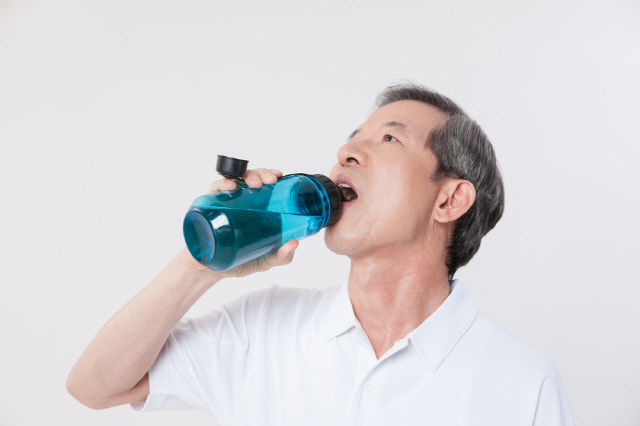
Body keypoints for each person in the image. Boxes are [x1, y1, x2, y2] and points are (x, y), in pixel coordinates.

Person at [67, 83, 576, 425]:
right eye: (351, 140)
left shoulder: (522, 384)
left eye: (390, 138)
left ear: (449, 200)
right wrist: (200, 266)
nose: (345, 154)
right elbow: (96, 386)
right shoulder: (263, 330)